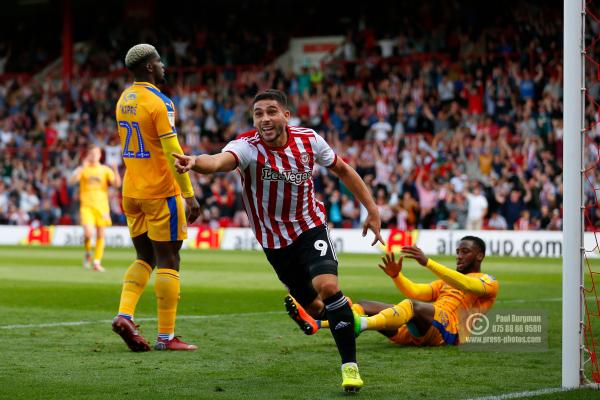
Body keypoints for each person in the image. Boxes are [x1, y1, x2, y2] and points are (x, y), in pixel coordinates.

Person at [173, 89, 384, 392]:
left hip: (310, 227)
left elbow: (342, 169)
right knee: (316, 308)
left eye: (271, 111)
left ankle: (349, 367)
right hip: (274, 242)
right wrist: (195, 162)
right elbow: (220, 161)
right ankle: (350, 320)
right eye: (258, 113)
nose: (264, 119)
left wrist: (372, 209)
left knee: (328, 286)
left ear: (286, 115)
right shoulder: (247, 147)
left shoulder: (309, 140)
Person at [111, 43, 201, 352]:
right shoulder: (161, 103)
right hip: (161, 192)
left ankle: (125, 314)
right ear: (149, 66)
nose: (163, 66)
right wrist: (189, 195)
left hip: (131, 190)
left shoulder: (124, 99)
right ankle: (166, 337)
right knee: (169, 259)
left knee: (144, 257)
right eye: (159, 61)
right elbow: (172, 152)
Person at [311, 237, 498, 347]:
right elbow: (416, 291)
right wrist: (397, 276)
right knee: (365, 304)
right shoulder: (445, 283)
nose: (459, 255)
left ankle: (362, 325)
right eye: (458, 251)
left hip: (449, 332)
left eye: (465, 251)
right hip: (420, 328)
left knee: (411, 306)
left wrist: (428, 263)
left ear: (479, 255)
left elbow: (467, 285)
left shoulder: (488, 281)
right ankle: (318, 323)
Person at [69, 145, 121, 272]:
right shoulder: (83, 169)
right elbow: (72, 182)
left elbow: (117, 185)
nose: (93, 156)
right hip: (87, 206)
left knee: (100, 234)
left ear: (100, 155)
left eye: (96, 153)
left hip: (102, 207)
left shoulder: (105, 170)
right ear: (88, 155)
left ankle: (97, 262)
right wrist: (82, 167)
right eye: (91, 153)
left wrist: (115, 170)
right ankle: (88, 253)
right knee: (88, 233)